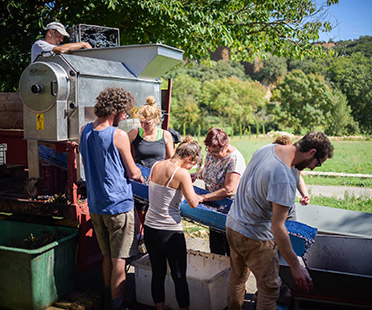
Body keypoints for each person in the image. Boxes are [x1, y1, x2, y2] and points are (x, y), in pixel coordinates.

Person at [226, 131, 334, 310]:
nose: (314, 168)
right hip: (255, 237)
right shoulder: (283, 178)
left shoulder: (267, 149)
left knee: (237, 277)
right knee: (269, 288)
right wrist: (295, 266)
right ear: (312, 152)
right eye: (318, 163)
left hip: (232, 225)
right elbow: (278, 227)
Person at [79, 87, 143, 310]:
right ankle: (117, 305)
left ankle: (107, 298)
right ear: (114, 110)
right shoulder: (118, 135)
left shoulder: (84, 131)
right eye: (124, 112)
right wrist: (143, 175)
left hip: (96, 205)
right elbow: (133, 172)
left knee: (107, 255)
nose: (126, 116)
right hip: (118, 206)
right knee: (120, 259)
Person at [143, 136, 202, 310]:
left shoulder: (156, 165)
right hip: (170, 231)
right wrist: (199, 196)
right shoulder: (182, 173)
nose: (190, 168)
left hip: (150, 228)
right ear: (188, 158)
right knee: (178, 276)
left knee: (158, 274)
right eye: (192, 164)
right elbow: (193, 202)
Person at [196, 128, 246, 255]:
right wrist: (196, 175)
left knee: (230, 247)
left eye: (216, 152)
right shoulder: (211, 153)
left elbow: (230, 189)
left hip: (230, 208)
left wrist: (203, 197)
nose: (212, 155)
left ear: (225, 146)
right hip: (214, 205)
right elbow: (209, 173)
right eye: (210, 151)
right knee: (216, 246)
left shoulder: (234, 159)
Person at [128, 96, 175, 224]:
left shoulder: (165, 135)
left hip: (158, 180)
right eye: (141, 122)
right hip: (140, 180)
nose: (143, 126)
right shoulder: (135, 133)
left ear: (156, 120)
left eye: (147, 123)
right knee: (141, 215)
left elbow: (173, 160)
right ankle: (142, 240)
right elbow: (121, 149)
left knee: (157, 215)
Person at [273, 135, 310, 220]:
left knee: (292, 231)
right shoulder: (272, 165)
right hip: (273, 208)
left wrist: (304, 194)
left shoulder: (295, 164)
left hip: (290, 207)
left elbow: (298, 177)